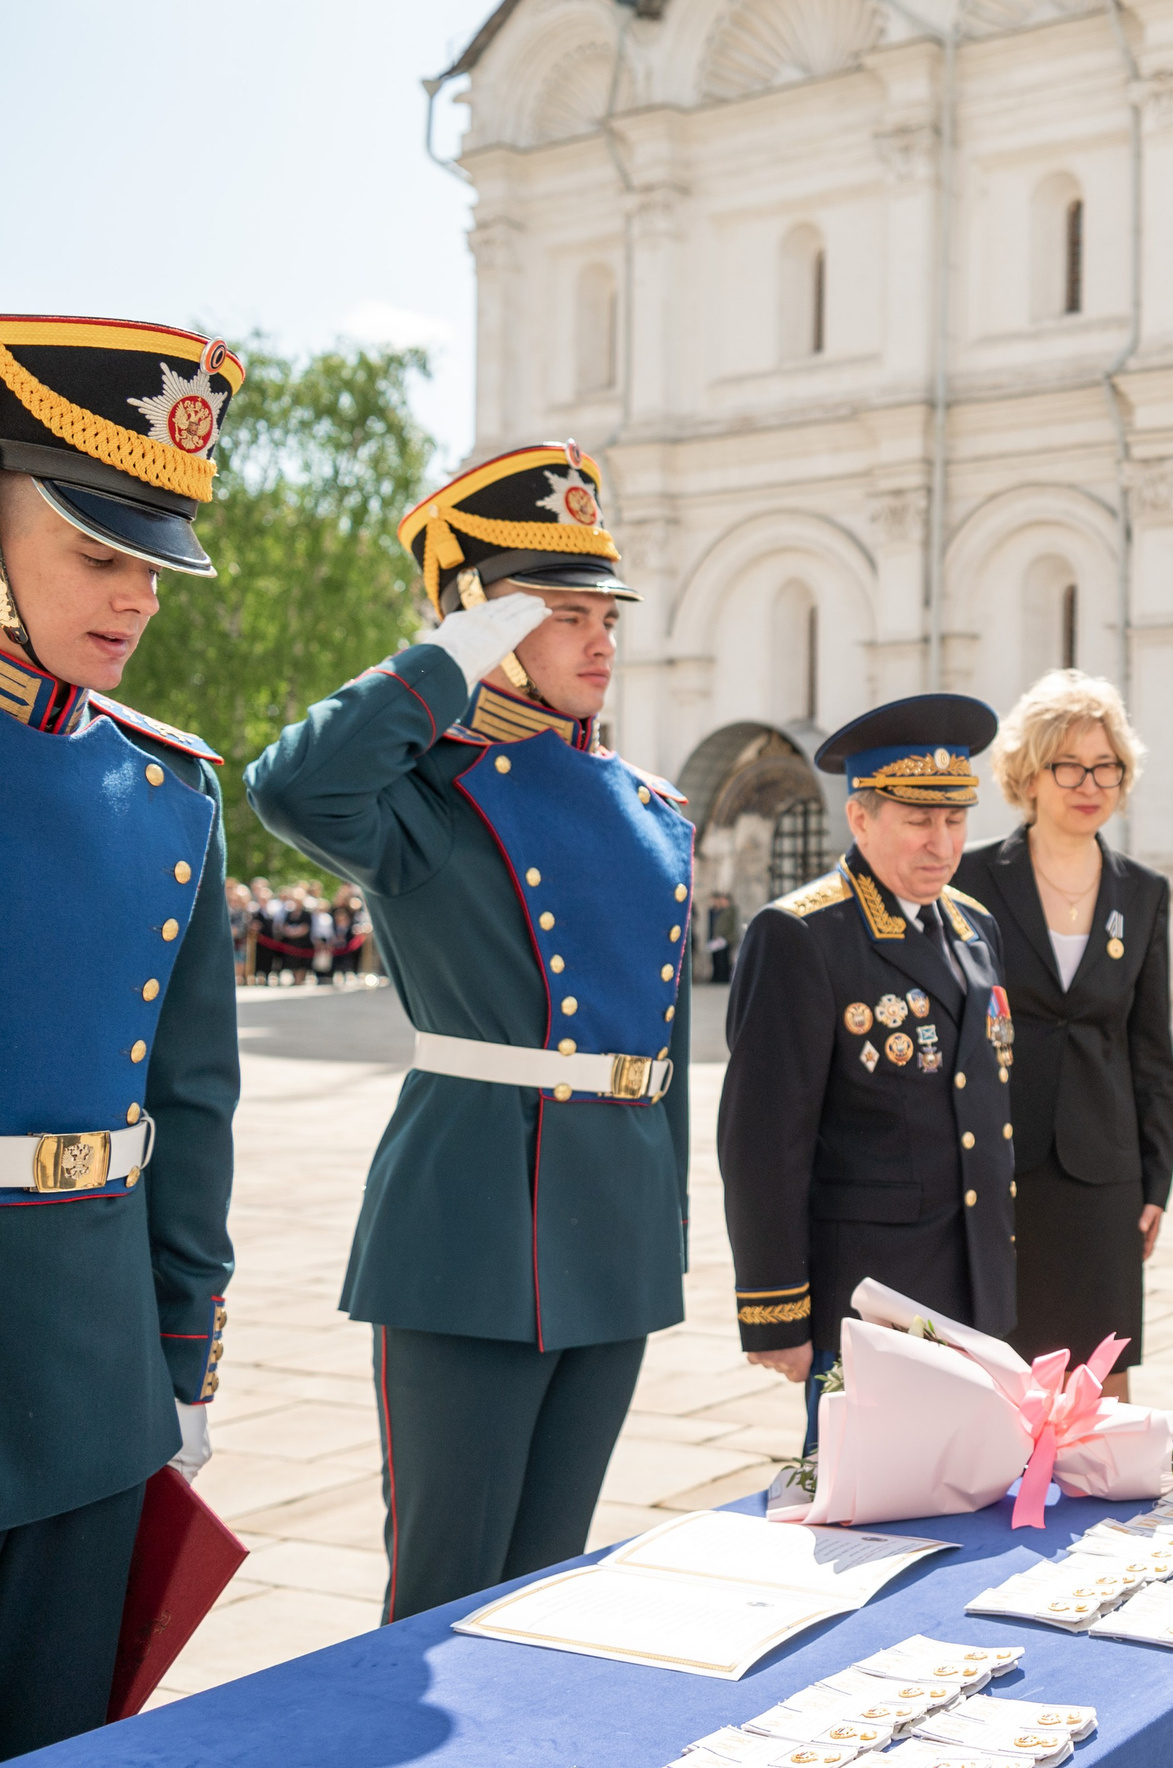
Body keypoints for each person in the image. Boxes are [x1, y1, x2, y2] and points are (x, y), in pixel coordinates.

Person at [248, 442, 694, 1623]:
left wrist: (665, 1239)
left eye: (607, 613)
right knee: (443, 1595)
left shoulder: (657, 813)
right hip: (473, 1228)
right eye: (560, 615)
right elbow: (292, 787)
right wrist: (448, 655)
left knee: (550, 1585)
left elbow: (661, 1054)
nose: (600, 639)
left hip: (612, 1233)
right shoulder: (428, 795)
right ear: (487, 627)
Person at [0, 317, 241, 1755]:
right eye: (100, 553)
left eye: (152, 564)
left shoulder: (168, 791)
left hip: (94, 1365)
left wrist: (182, 1356)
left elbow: (192, 1100)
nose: (137, 597)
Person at [718, 694, 1017, 1444]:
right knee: (871, 1516)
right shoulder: (802, 935)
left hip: (975, 1285)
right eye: (918, 820)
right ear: (859, 818)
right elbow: (763, 1143)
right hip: (873, 1297)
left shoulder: (972, 926)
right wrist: (775, 1308)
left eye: (954, 820)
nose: (941, 844)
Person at [955, 671, 1173, 1393]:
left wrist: (1157, 1178)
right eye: (1070, 766)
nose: (1091, 784)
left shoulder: (1142, 891)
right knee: (1000, 1371)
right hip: (1001, 1163)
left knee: (1099, 1378)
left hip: (1104, 1173)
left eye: (1106, 766)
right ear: (1030, 774)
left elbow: (1151, 1048)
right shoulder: (974, 877)